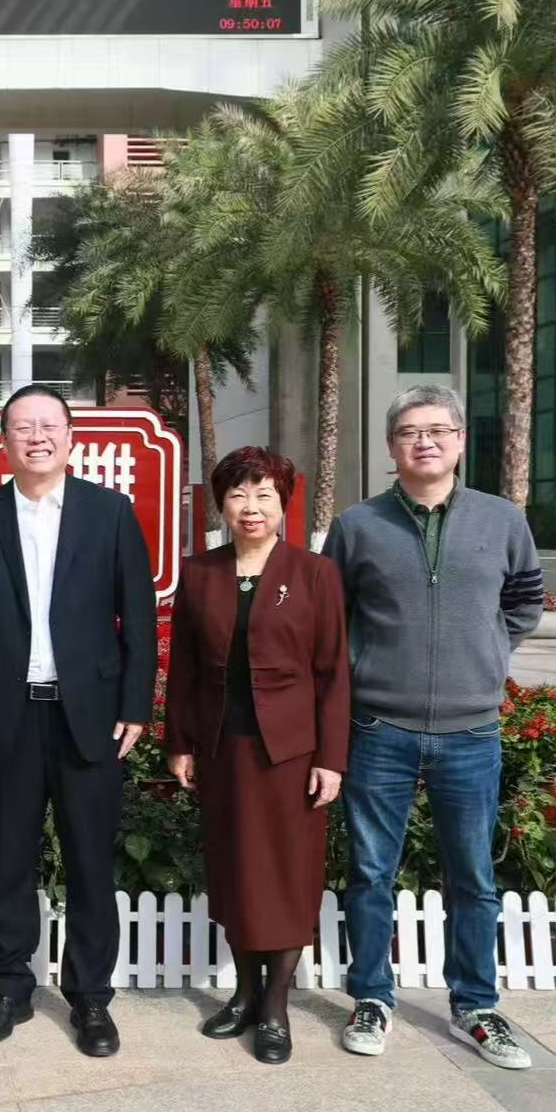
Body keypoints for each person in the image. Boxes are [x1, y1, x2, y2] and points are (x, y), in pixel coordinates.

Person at [324, 385, 543, 1070]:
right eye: (410, 432)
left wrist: (489, 651)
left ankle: (476, 1004)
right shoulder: (358, 525)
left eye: (438, 430)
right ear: (391, 446)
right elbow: (332, 616)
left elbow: (526, 600)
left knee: (472, 876)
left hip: (472, 731)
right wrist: (363, 666)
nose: (424, 441)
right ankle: (371, 995)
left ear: (459, 441)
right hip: (379, 726)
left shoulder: (501, 519)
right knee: (370, 872)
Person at [0, 384, 157, 1057]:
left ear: (70, 437)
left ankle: (90, 995)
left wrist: (135, 705)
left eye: (48, 426)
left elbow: (139, 617)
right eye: (23, 427)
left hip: (89, 715)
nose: (36, 437)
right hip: (9, 713)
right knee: (9, 856)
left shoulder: (109, 512)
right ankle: (11, 985)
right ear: (3, 439)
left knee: (90, 859)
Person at [164, 447, 349, 1065]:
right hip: (223, 748)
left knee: (289, 876)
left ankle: (275, 1007)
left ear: (283, 503)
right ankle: (244, 993)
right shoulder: (201, 573)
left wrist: (331, 758)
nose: (251, 507)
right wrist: (179, 742)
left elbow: (333, 674)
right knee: (236, 871)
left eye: (264, 494)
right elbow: (185, 669)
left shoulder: (315, 573)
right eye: (239, 494)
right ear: (221, 504)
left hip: (292, 753)